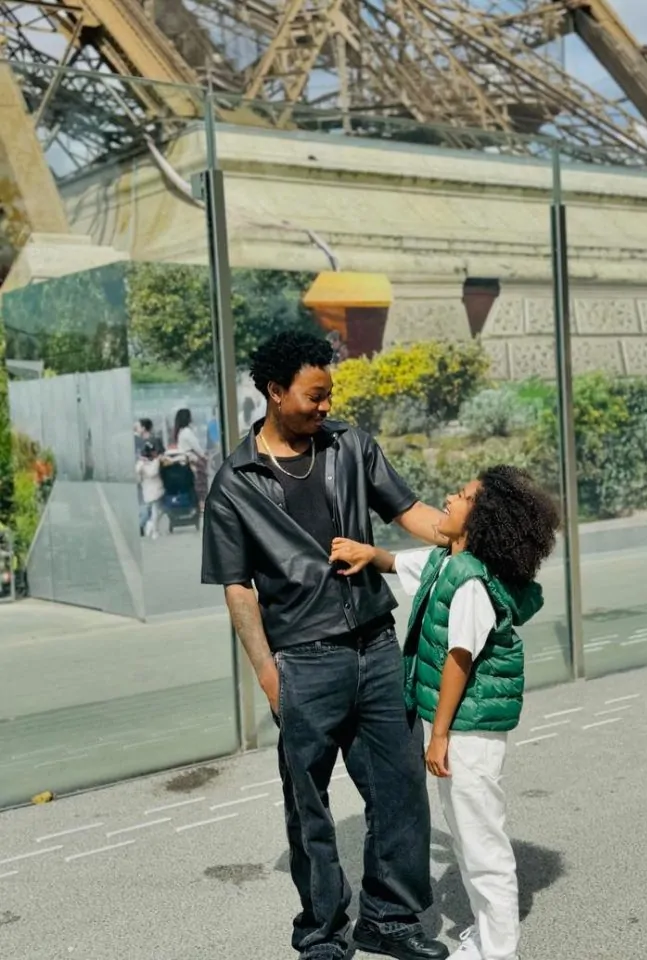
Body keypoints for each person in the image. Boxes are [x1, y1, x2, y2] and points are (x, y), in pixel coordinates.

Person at [202, 331, 449, 960]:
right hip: (303, 660)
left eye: (328, 394)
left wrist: (460, 534)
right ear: (275, 391)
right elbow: (238, 588)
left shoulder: (350, 447)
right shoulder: (235, 483)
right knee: (309, 806)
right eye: (314, 396)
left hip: (376, 646)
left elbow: (410, 510)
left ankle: (388, 919)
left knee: (400, 790)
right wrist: (267, 673)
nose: (325, 406)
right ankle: (320, 931)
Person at [330, 466, 560, 960]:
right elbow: (401, 563)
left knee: (482, 845)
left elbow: (459, 659)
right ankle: (486, 934)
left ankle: (499, 950)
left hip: (468, 732)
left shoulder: (471, 580)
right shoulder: (447, 562)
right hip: (459, 727)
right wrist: (369, 554)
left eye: (462, 496)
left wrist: (438, 737)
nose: (450, 499)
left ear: (481, 520)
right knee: (467, 839)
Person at [174, 408, 208, 511]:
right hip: (193, 460)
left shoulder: (180, 432)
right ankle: (202, 506)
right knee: (201, 484)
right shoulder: (187, 432)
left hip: (185, 462)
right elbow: (196, 447)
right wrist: (204, 456)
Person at [135, 441, 164, 538]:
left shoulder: (141, 463)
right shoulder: (147, 463)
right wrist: (157, 461)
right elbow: (152, 473)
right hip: (154, 490)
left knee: (155, 511)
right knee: (156, 511)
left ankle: (151, 527)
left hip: (151, 490)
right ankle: (153, 529)